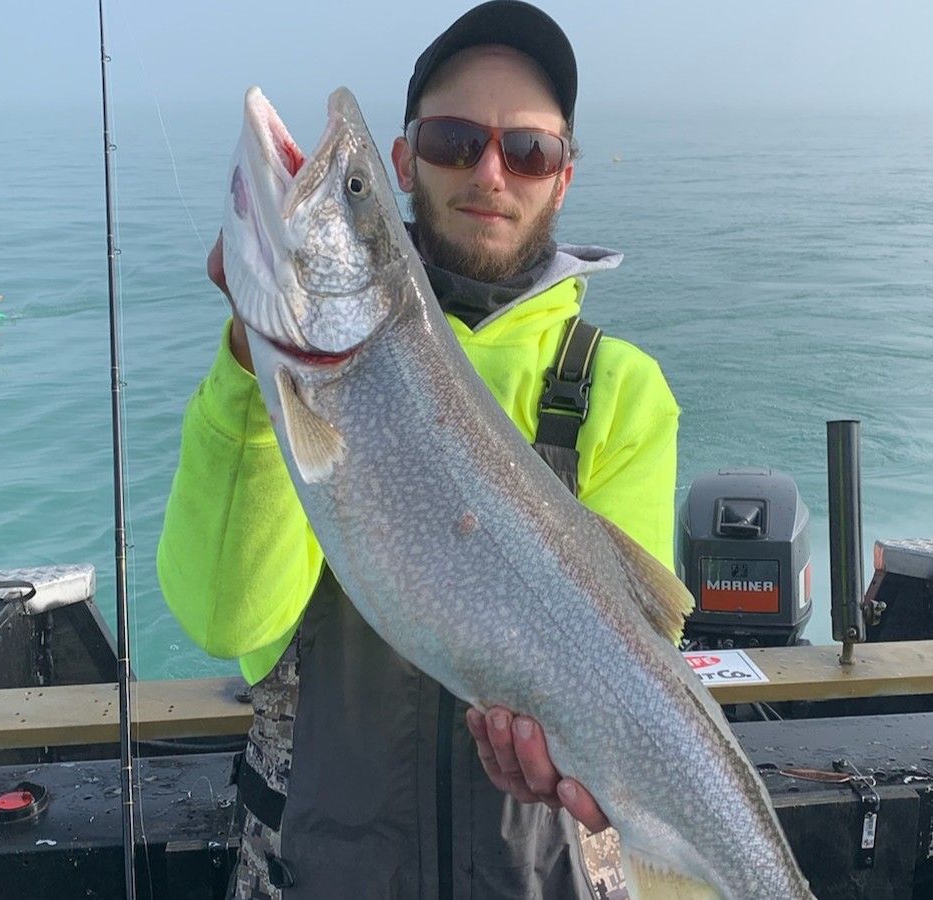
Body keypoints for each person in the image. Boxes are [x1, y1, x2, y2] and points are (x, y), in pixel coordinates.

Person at [157, 2, 680, 897]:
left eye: (528, 151)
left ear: (563, 178)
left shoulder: (617, 389)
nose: (489, 172)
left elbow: (636, 655)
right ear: (403, 161)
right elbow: (223, 623)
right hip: (314, 870)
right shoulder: (292, 378)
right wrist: (255, 368)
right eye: (451, 139)